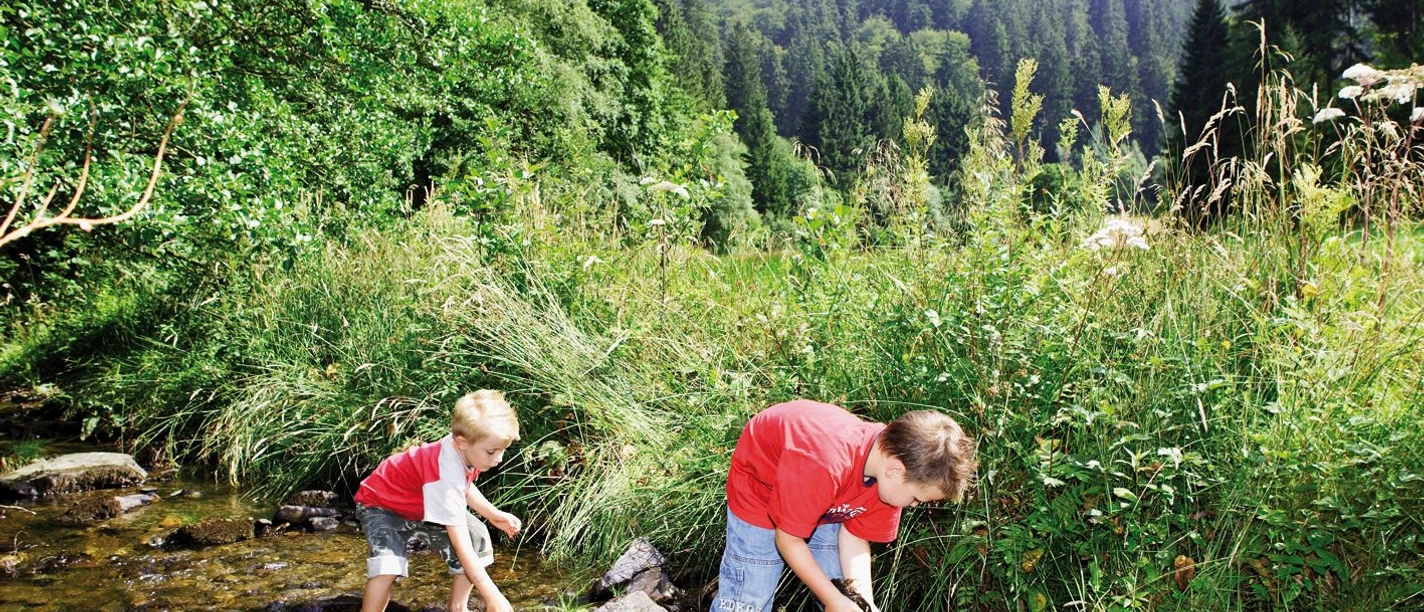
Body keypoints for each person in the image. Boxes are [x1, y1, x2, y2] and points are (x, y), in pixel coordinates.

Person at [712, 399, 978, 612]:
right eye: (917, 499)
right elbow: (788, 540)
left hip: (828, 499)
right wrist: (832, 600)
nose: (914, 505)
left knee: (845, 593)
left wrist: (865, 602)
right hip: (761, 493)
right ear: (895, 471)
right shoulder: (826, 463)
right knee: (750, 596)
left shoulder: (889, 477)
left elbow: (855, 536)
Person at [355, 390, 523, 612]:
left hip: (422, 503)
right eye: (492, 451)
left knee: (477, 535)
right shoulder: (446, 471)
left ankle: (458, 607)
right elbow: (460, 544)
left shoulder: (465, 450)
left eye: (502, 450)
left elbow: (461, 486)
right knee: (388, 564)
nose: (498, 459)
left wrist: (492, 514)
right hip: (381, 505)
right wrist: (493, 597)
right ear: (462, 443)